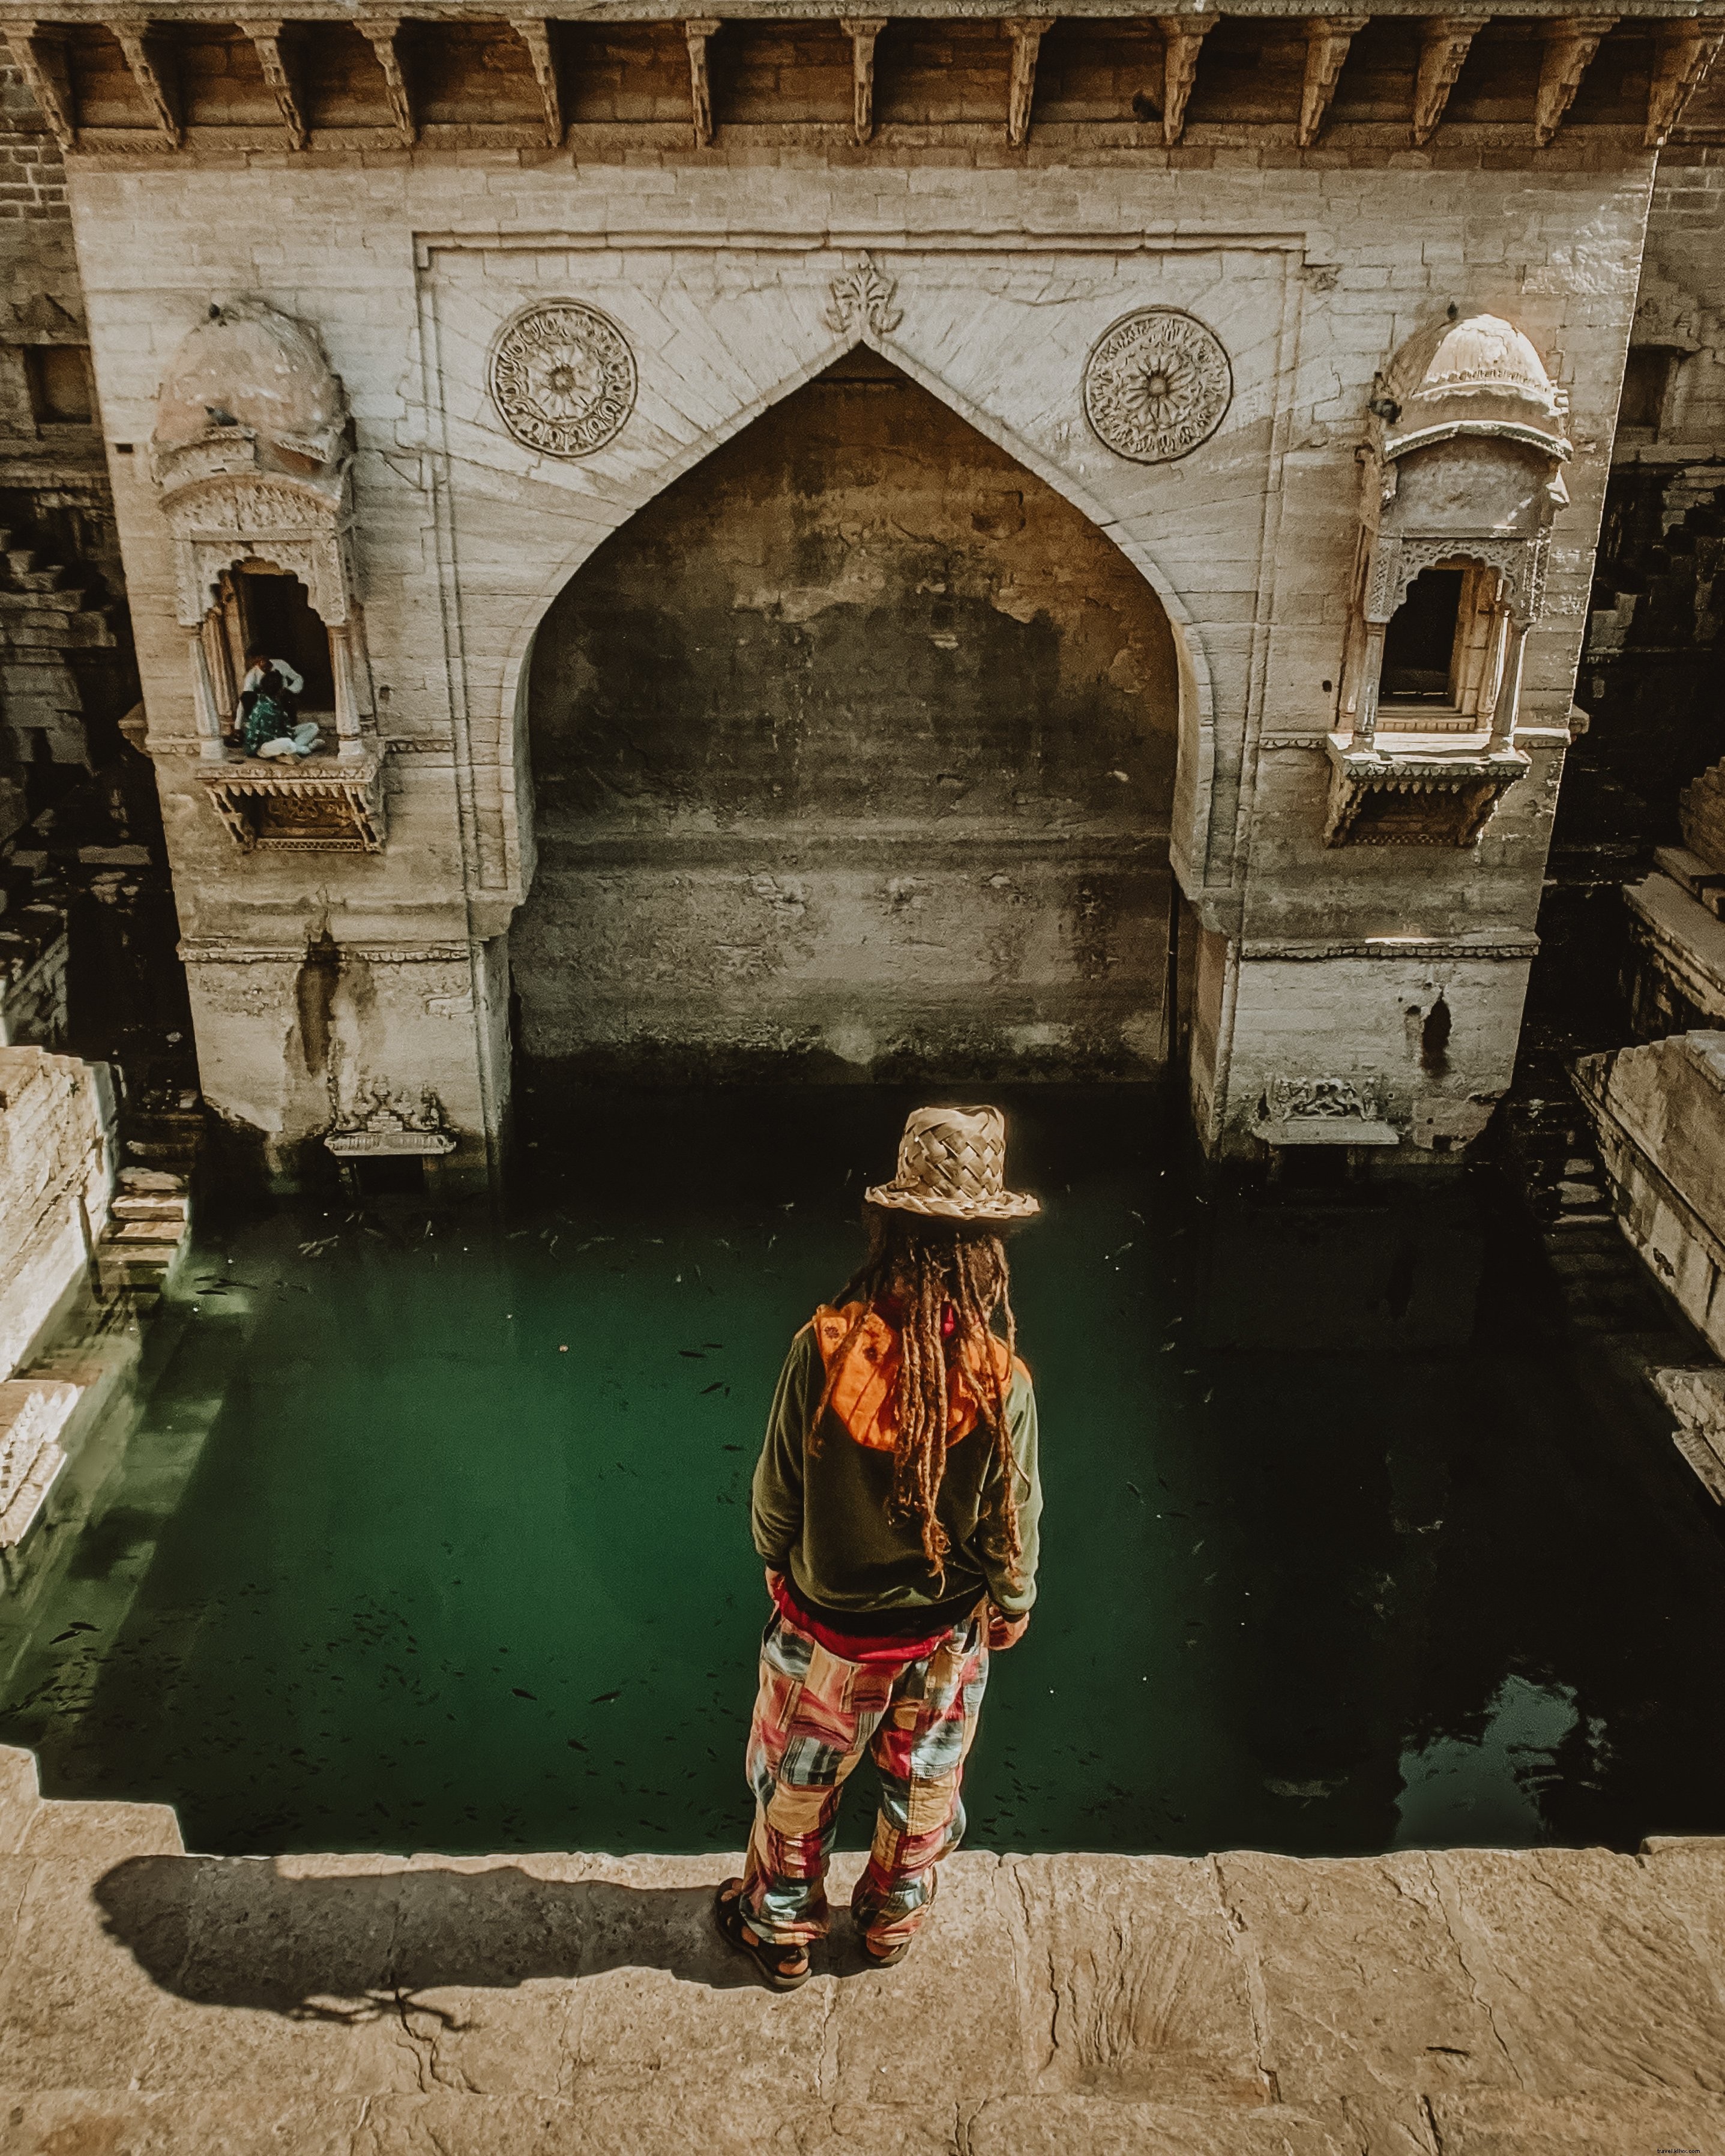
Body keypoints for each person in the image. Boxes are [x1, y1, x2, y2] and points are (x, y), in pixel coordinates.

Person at [716, 1103, 1043, 1989]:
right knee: (923, 1782)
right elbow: (1008, 1520)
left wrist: (777, 1558)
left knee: (797, 1778)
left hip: (824, 1628)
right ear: (990, 1253)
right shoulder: (999, 1378)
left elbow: (775, 1491)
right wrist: (1010, 1604)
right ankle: (890, 1923)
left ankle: (780, 1930)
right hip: (941, 1633)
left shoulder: (821, 1349)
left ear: (886, 1231)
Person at [235, 650, 320, 759]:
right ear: (278, 690)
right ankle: (307, 748)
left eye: (263, 660)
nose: (261, 664)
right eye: (257, 662)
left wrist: (290, 690)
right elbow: (268, 737)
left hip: (280, 738)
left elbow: (297, 679)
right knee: (287, 743)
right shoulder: (264, 708)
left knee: (313, 727)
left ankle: (291, 750)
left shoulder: (278, 702)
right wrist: (237, 727)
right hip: (265, 746)